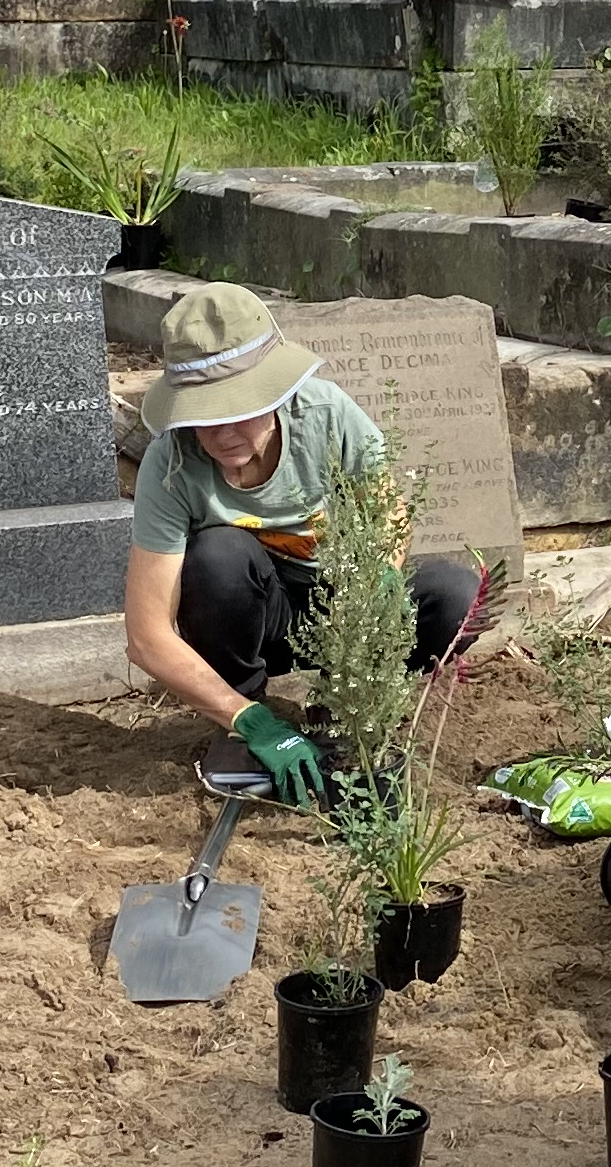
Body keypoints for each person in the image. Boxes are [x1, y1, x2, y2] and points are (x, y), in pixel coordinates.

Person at [120, 284, 485, 803]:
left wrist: (379, 578)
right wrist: (248, 720)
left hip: (339, 608)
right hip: (254, 614)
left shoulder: (326, 414)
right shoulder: (172, 463)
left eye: (239, 409)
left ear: (275, 393)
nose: (222, 434)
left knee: (455, 597)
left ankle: (349, 700)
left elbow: (387, 510)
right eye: (205, 416)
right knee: (218, 559)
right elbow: (146, 634)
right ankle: (243, 718)